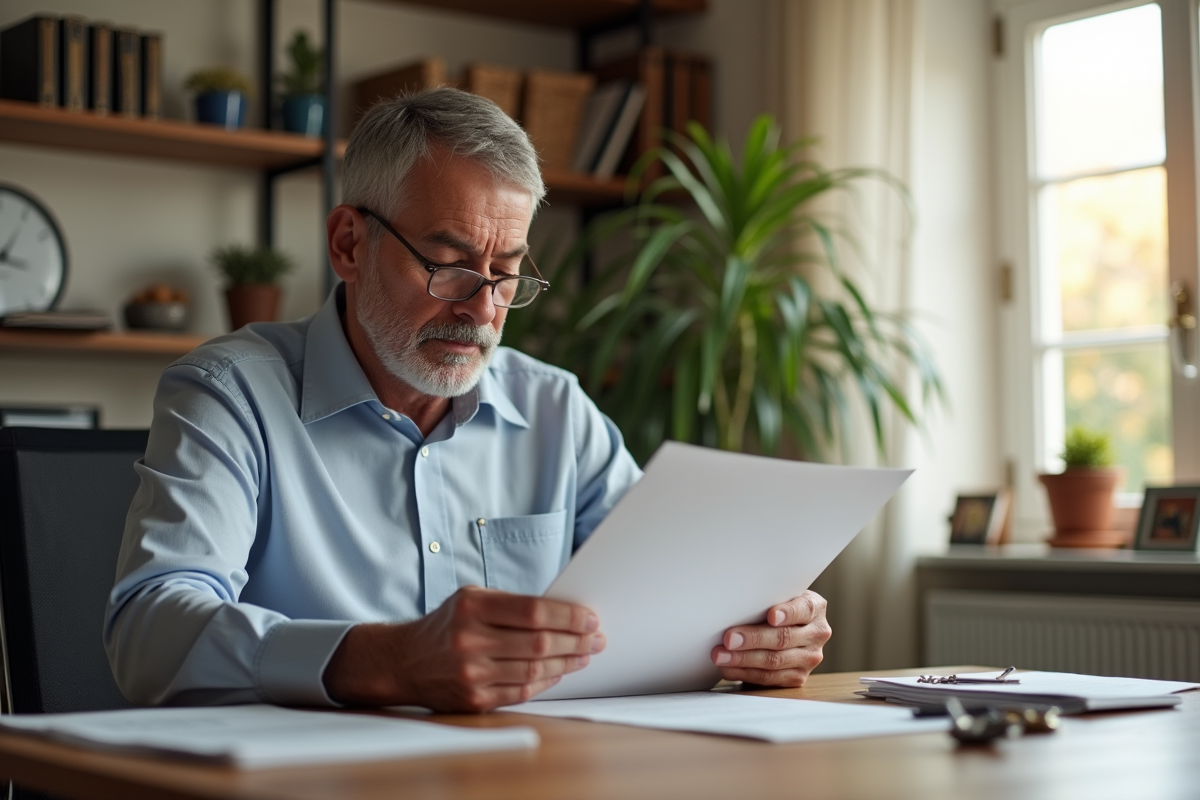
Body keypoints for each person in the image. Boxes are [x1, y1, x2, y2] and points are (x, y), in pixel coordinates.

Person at [104, 88, 831, 713]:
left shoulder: (558, 413)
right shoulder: (231, 396)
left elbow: (671, 598)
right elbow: (150, 632)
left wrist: (760, 634)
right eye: (448, 265)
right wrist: (387, 660)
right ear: (349, 244)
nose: (483, 309)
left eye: (507, 272)